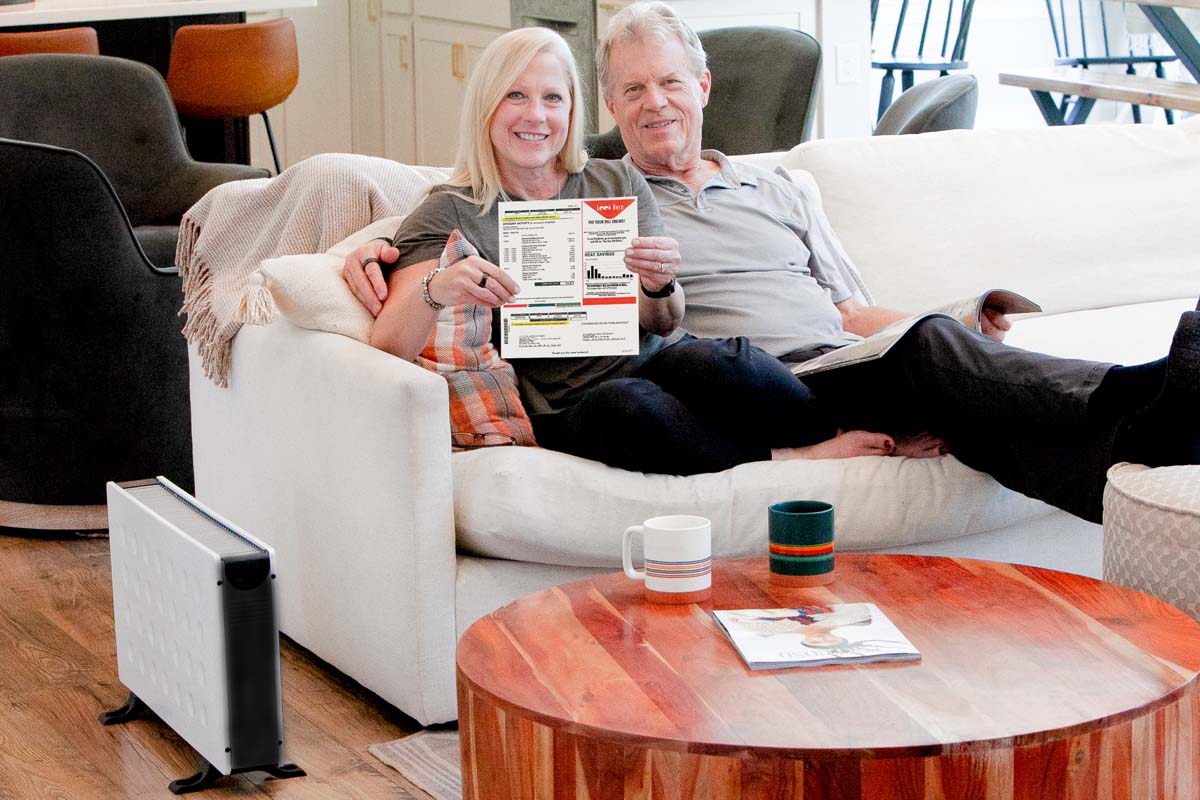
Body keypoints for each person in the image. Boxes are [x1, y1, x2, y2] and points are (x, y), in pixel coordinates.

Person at [345, 3, 1198, 523]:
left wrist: (944, 319)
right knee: (683, 377)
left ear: (704, 88)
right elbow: (403, 298)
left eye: (670, 84)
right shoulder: (588, 187)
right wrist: (391, 260)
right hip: (733, 385)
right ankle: (1140, 408)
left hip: (830, 361)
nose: (655, 106)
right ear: (610, 109)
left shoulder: (750, 186)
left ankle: (1144, 443)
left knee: (940, 360)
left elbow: (834, 309)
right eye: (633, 92)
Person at [360, 25, 923, 477]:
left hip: (659, 360)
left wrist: (658, 286)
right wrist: (438, 290)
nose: (536, 115)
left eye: (552, 97)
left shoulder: (616, 181)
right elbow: (387, 345)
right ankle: (796, 458)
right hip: (568, 402)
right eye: (516, 96)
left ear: (573, 110)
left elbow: (662, 318)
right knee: (627, 406)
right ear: (485, 107)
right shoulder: (451, 210)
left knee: (720, 359)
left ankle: (861, 431)